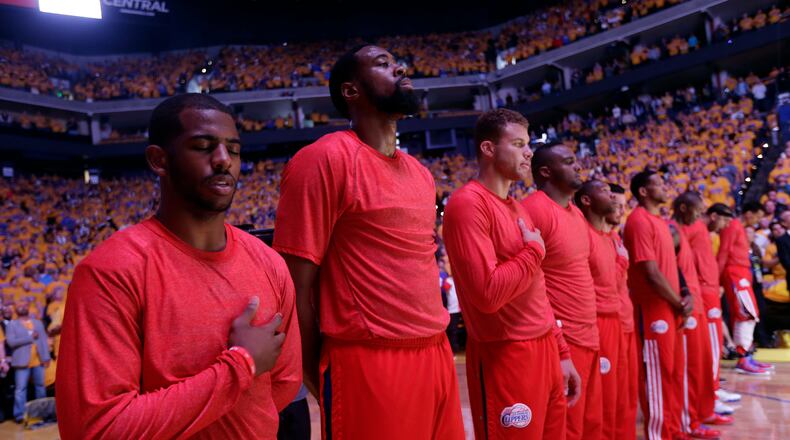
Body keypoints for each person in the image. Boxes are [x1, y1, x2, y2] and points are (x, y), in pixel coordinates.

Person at [56, 94, 302, 439]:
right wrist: (240, 365)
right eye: (203, 146)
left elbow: (284, 384)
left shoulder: (269, 262)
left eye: (233, 150)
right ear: (159, 160)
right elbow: (97, 429)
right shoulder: (110, 272)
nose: (223, 160)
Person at [273, 45, 464, 439]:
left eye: (397, 61)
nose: (400, 67)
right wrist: (315, 372)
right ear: (351, 91)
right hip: (368, 359)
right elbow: (294, 287)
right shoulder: (322, 160)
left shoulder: (421, 174)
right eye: (382, 63)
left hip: (436, 350)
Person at [443, 109, 580, 439]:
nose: (529, 152)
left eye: (528, 144)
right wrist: (533, 251)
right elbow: (487, 295)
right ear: (488, 149)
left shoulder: (518, 207)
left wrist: (561, 352)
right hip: (505, 354)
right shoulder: (467, 204)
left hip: (546, 348)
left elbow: (538, 289)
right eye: (518, 144)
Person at [522, 144, 602, 440]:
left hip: (589, 333)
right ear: (546, 171)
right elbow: (529, 281)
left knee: (590, 423)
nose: (578, 166)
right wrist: (558, 346)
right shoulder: (534, 209)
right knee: (567, 428)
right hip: (564, 337)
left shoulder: (577, 214)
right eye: (568, 162)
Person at [623, 169, 691, 440]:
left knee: (672, 374)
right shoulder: (639, 221)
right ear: (643, 191)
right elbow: (650, 273)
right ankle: (660, 434)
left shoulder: (660, 221)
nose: (665, 187)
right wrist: (677, 302)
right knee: (658, 375)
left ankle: (673, 431)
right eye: (659, 184)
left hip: (670, 306)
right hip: (653, 311)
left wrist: (684, 295)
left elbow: (670, 266)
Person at [669, 193, 726, 438]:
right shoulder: (673, 230)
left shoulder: (688, 229)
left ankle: (702, 413)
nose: (701, 216)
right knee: (690, 367)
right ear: (684, 208)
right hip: (689, 302)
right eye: (698, 211)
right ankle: (688, 421)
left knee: (702, 363)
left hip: (698, 300)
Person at [575, 180, 624, 440]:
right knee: (598, 399)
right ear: (586, 200)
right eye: (604, 192)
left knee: (612, 395)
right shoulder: (584, 234)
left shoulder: (607, 238)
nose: (612, 198)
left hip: (613, 320)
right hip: (596, 321)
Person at [687, 203, 742, 415]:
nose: (725, 226)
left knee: (715, 343)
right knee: (710, 345)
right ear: (713, 216)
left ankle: (714, 388)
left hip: (710, 290)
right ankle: (709, 394)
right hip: (702, 292)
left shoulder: (705, 233)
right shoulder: (694, 229)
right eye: (724, 221)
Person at [717, 203, 774, 374]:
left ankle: (747, 356)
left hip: (741, 275)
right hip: (735, 275)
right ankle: (743, 358)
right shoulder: (732, 225)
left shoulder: (739, 227)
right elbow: (723, 252)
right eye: (757, 216)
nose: (757, 220)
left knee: (748, 314)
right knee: (746, 314)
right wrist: (717, 281)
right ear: (748, 213)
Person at [605, 184, 638, 440]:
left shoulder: (616, 238)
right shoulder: (596, 238)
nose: (620, 210)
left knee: (626, 393)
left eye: (623, 205)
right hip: (608, 325)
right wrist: (621, 261)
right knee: (608, 397)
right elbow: (606, 284)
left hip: (626, 322)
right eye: (615, 204)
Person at [5, 302, 50, 423]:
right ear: (15, 309)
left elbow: (43, 340)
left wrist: (46, 357)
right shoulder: (12, 325)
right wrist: (30, 338)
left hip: (38, 361)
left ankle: (42, 413)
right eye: (19, 306)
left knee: (40, 387)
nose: (22, 307)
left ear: (28, 308)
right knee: (20, 389)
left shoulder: (38, 323)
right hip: (21, 362)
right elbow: (11, 342)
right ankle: (19, 415)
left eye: (24, 306)